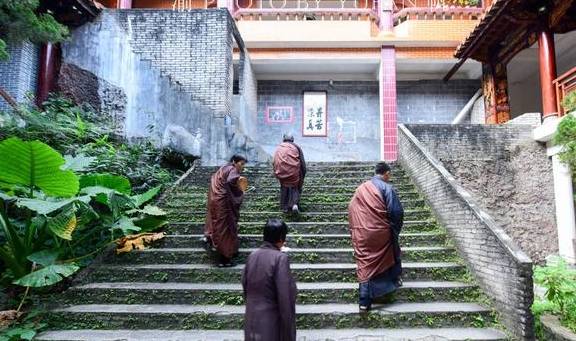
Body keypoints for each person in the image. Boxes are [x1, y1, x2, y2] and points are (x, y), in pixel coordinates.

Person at [347, 161, 404, 312]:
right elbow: (396, 213)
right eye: (389, 175)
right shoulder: (386, 188)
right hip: (379, 233)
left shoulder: (361, 188)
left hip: (361, 233)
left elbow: (352, 207)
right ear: (386, 174)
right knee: (391, 252)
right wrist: (393, 230)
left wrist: (356, 230)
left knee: (365, 264)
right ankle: (387, 288)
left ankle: (364, 302)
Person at [242, 218, 297, 341]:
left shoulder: (252, 256)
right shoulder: (280, 259)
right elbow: (285, 297)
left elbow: (245, 286)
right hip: (271, 325)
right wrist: (288, 332)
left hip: (251, 320)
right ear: (281, 238)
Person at [204, 154, 247, 267]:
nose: (242, 167)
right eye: (241, 164)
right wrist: (241, 191)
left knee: (219, 228)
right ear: (234, 161)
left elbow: (216, 180)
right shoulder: (232, 169)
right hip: (223, 203)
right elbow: (230, 181)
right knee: (226, 229)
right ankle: (226, 258)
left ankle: (221, 258)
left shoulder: (222, 169)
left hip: (216, 201)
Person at [273, 134, 306, 214]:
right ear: (292, 139)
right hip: (294, 172)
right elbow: (302, 162)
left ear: (283, 139)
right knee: (295, 187)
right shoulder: (296, 147)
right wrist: (303, 172)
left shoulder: (279, 148)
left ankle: (285, 207)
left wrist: (276, 171)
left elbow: (274, 161)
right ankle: (294, 204)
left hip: (281, 172)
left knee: (284, 187)